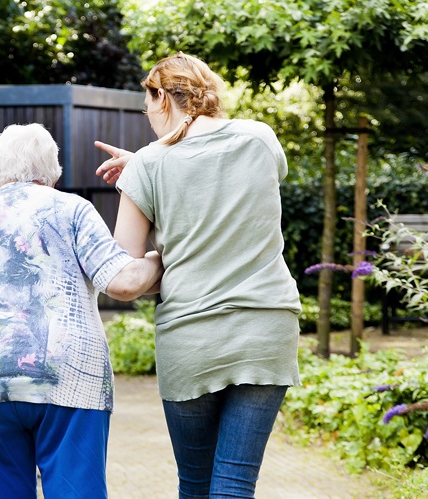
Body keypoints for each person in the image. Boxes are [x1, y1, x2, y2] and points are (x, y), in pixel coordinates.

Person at [93, 53, 303, 499]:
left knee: (196, 483)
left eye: (147, 103)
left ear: (164, 96)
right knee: (234, 483)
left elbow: (125, 273)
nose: (147, 115)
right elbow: (215, 172)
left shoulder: (148, 166)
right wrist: (149, 163)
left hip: (191, 340)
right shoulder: (261, 138)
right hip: (266, 329)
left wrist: (144, 173)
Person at [0, 123, 163, 499]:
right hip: (69, 380)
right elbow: (124, 282)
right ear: (54, 176)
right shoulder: (73, 209)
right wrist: (161, 261)